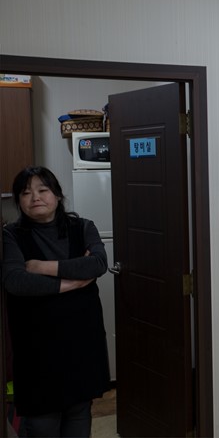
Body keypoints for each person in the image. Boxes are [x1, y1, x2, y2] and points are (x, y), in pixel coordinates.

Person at [1, 166, 110, 437]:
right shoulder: (11, 235)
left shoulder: (83, 227)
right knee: (42, 423)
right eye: (26, 193)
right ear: (19, 201)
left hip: (82, 341)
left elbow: (97, 264)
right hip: (37, 348)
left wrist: (42, 267)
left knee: (79, 414)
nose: (35, 197)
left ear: (58, 195)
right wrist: (73, 282)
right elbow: (16, 281)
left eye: (43, 190)